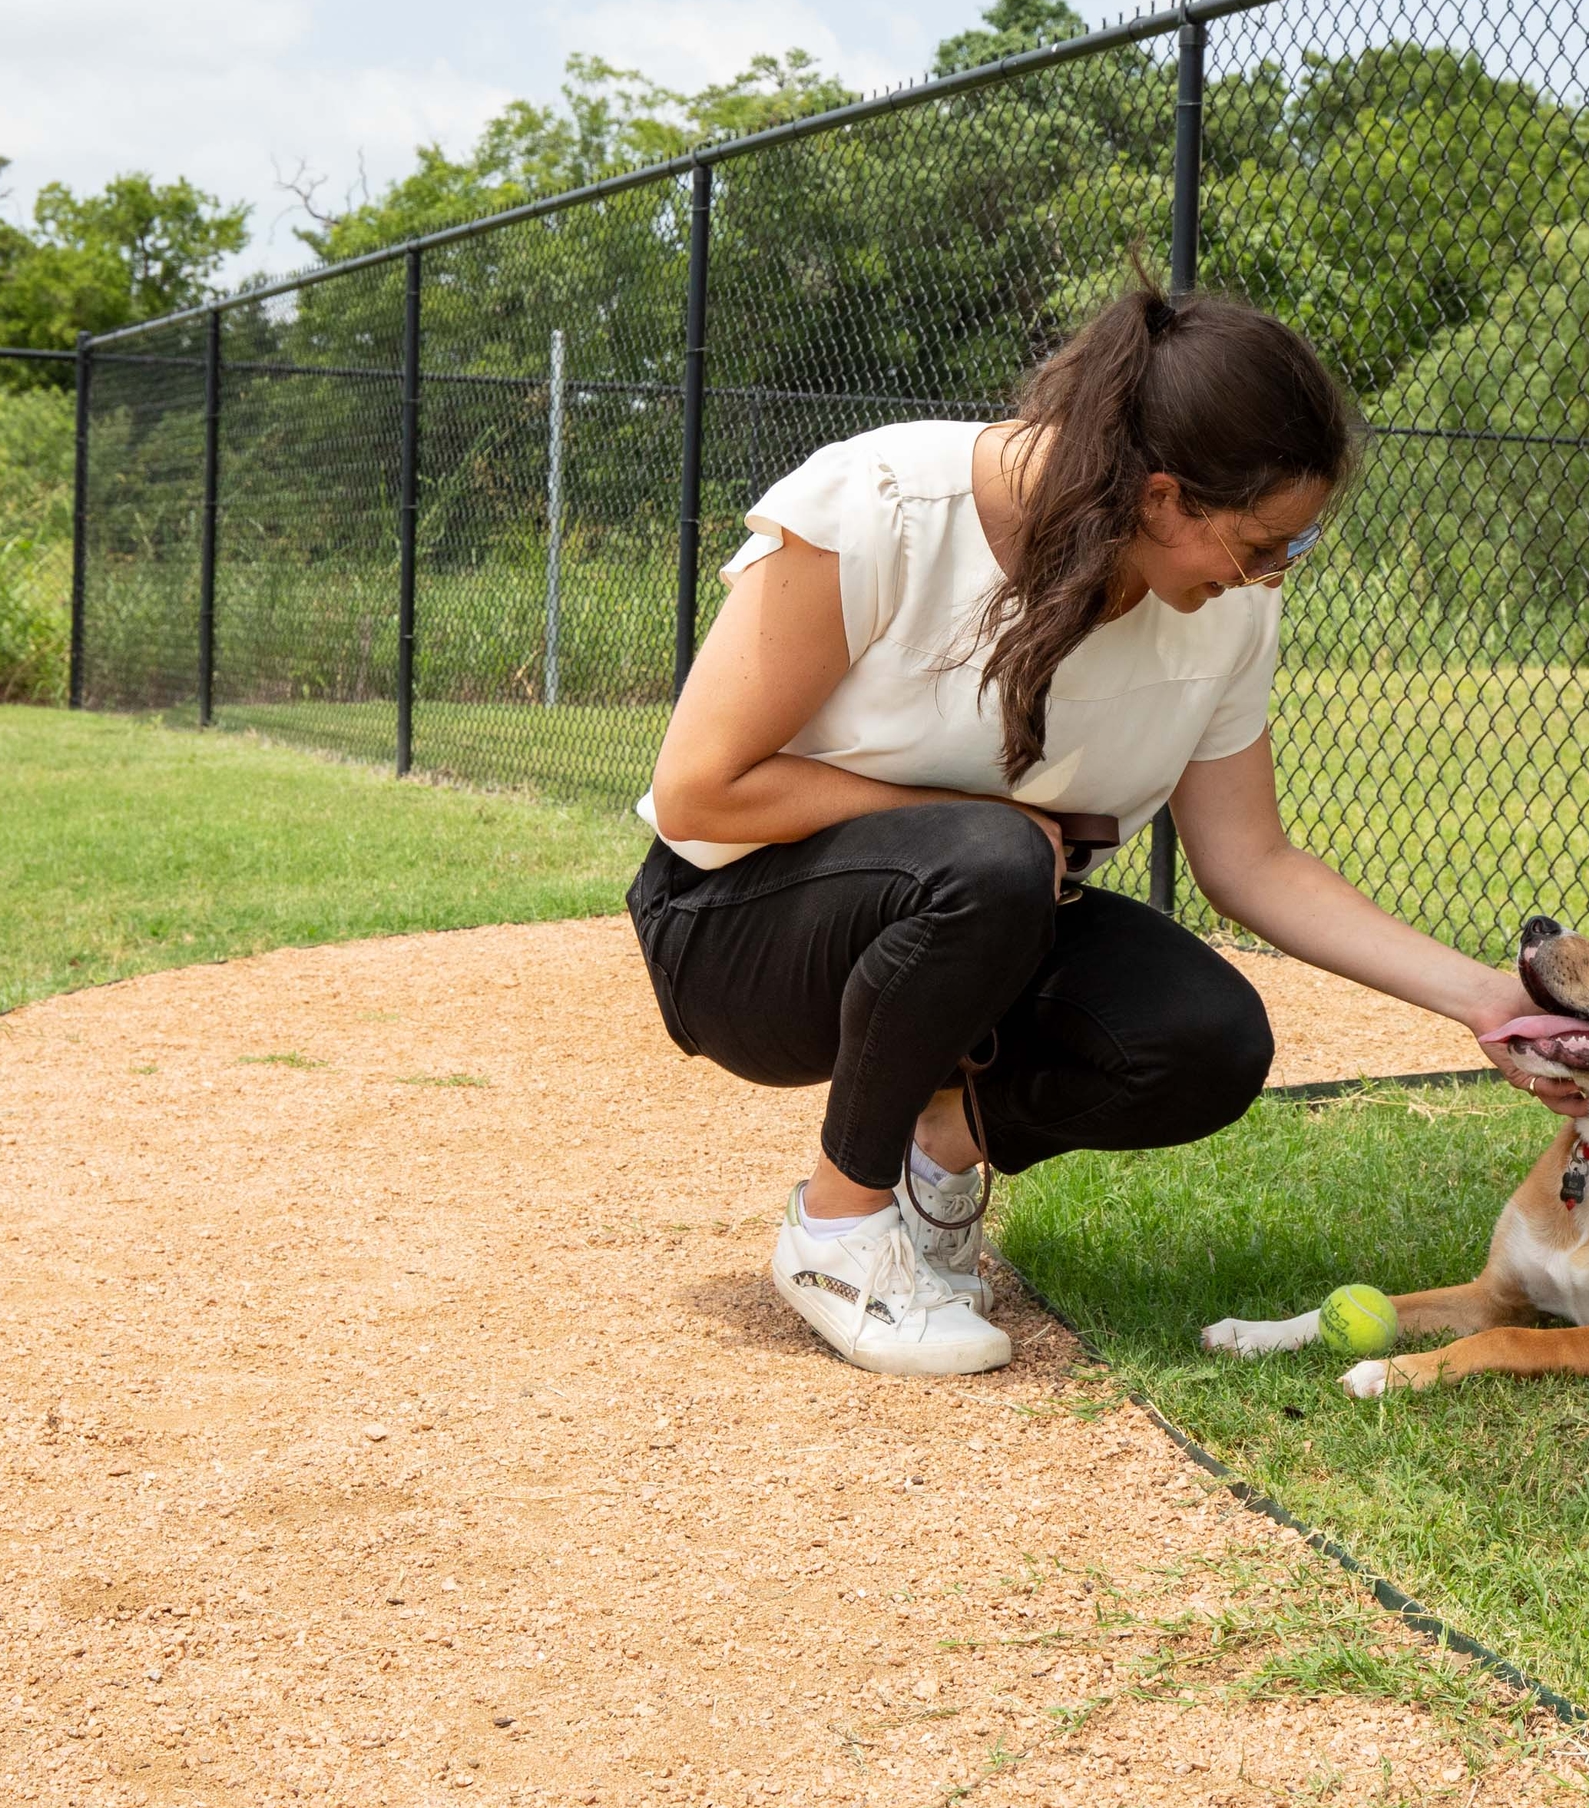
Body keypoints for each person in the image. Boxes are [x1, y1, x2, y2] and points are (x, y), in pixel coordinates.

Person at [631, 284, 1542, 1376]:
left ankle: (939, 1152)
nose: (1269, 574)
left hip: (985, 923)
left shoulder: (1230, 607)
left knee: (1206, 1035)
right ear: (1165, 498)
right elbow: (699, 791)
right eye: (1260, 544)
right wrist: (982, 819)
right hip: (738, 936)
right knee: (995, 856)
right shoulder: (885, 504)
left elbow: (1251, 860)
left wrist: (1486, 1000)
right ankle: (835, 1233)